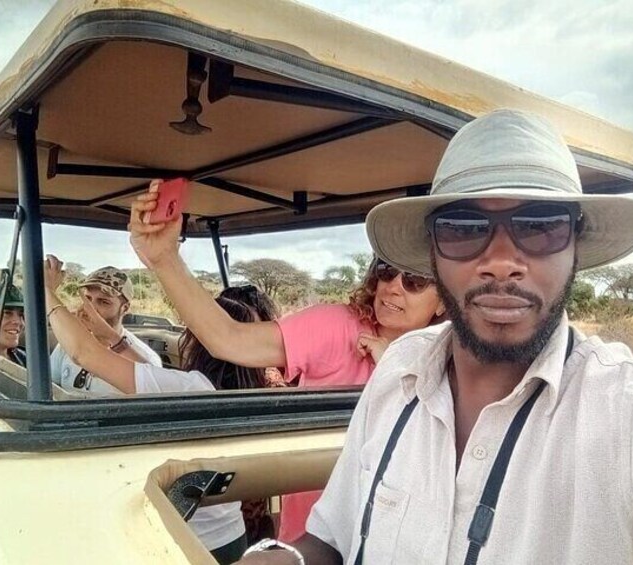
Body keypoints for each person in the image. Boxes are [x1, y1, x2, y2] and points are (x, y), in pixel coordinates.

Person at [235, 109, 633, 564]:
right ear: (433, 253)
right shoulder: (400, 369)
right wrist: (283, 559)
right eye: (464, 228)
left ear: (575, 247)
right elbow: (334, 537)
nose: (500, 261)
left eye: (540, 225)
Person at [127, 194, 446, 541]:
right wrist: (165, 260)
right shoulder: (337, 327)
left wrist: (393, 366)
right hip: (315, 540)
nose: (393, 287)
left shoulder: (448, 357)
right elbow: (229, 339)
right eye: (386, 271)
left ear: (443, 301)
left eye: (415, 280)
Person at [44, 258, 266, 563]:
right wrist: (114, 339)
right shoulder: (247, 390)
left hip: (185, 539)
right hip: (229, 533)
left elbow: (84, 353)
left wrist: (46, 291)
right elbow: (152, 376)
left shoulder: (192, 388)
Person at [47, 261, 163, 394]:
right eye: (88, 299)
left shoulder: (143, 358)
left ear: (124, 308)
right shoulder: (68, 344)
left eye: (104, 302)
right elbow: (50, 388)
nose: (91, 309)